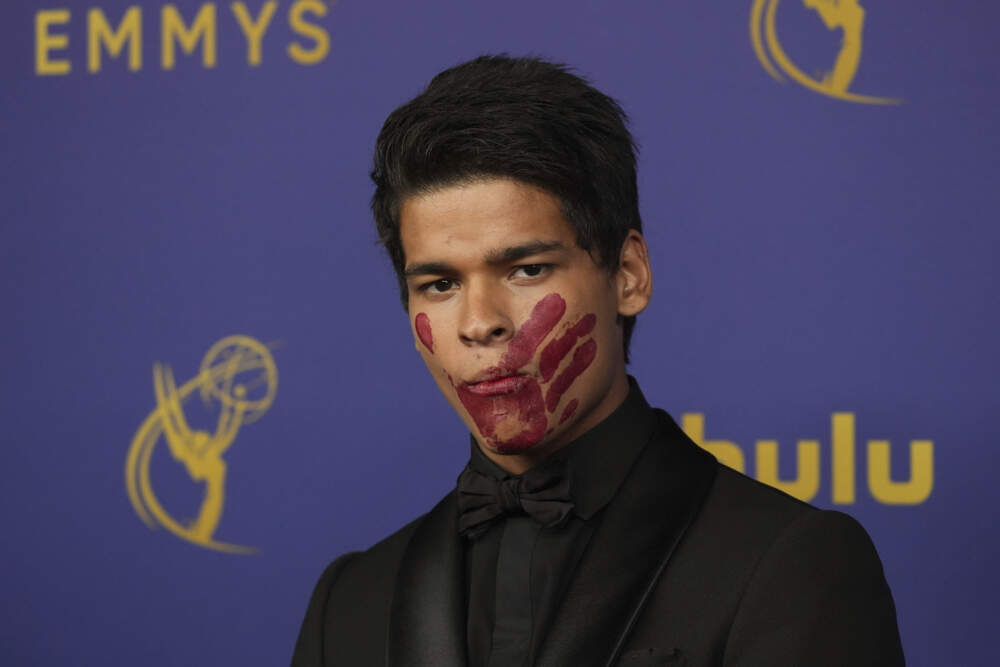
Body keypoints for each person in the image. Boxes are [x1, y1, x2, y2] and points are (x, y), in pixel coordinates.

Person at [291, 55, 904, 666]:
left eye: (527, 269)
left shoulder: (789, 565)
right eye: (440, 285)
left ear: (629, 276)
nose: (480, 322)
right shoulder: (349, 604)